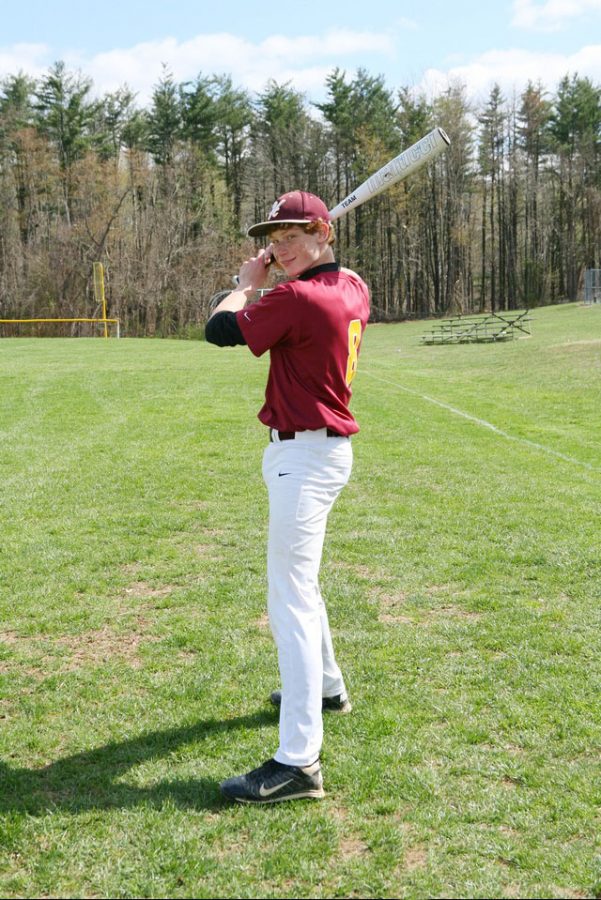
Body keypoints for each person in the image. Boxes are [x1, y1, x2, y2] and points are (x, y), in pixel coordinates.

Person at [205, 190, 370, 803]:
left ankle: (299, 759)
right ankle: (328, 687)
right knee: (304, 584)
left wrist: (246, 283)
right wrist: (299, 260)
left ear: (325, 233)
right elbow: (326, 276)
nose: (278, 248)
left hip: (303, 457)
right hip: (323, 452)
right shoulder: (351, 284)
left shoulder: (296, 298)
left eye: (293, 236)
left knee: (290, 600)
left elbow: (218, 329)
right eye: (273, 240)